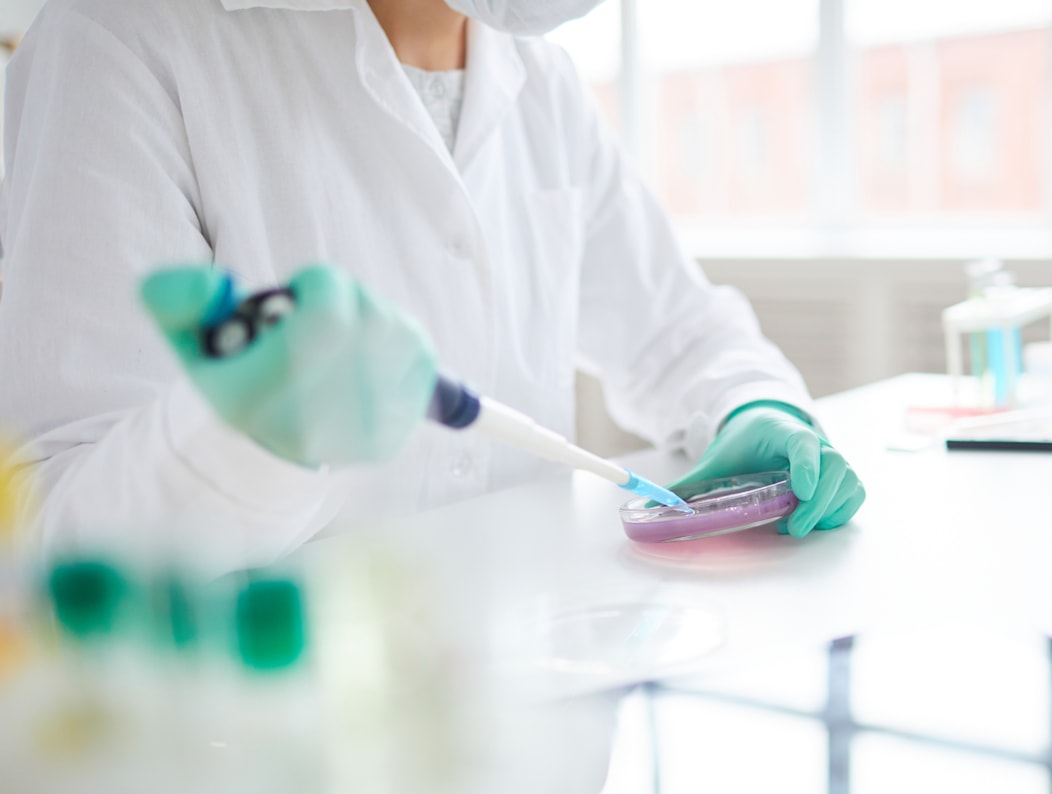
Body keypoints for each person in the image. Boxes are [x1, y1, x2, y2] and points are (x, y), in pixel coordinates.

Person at [0, 0, 865, 568]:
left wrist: (755, 405)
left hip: (526, 715)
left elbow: (676, 332)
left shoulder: (543, 84)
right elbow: (58, 539)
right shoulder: (118, 36)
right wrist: (254, 441)